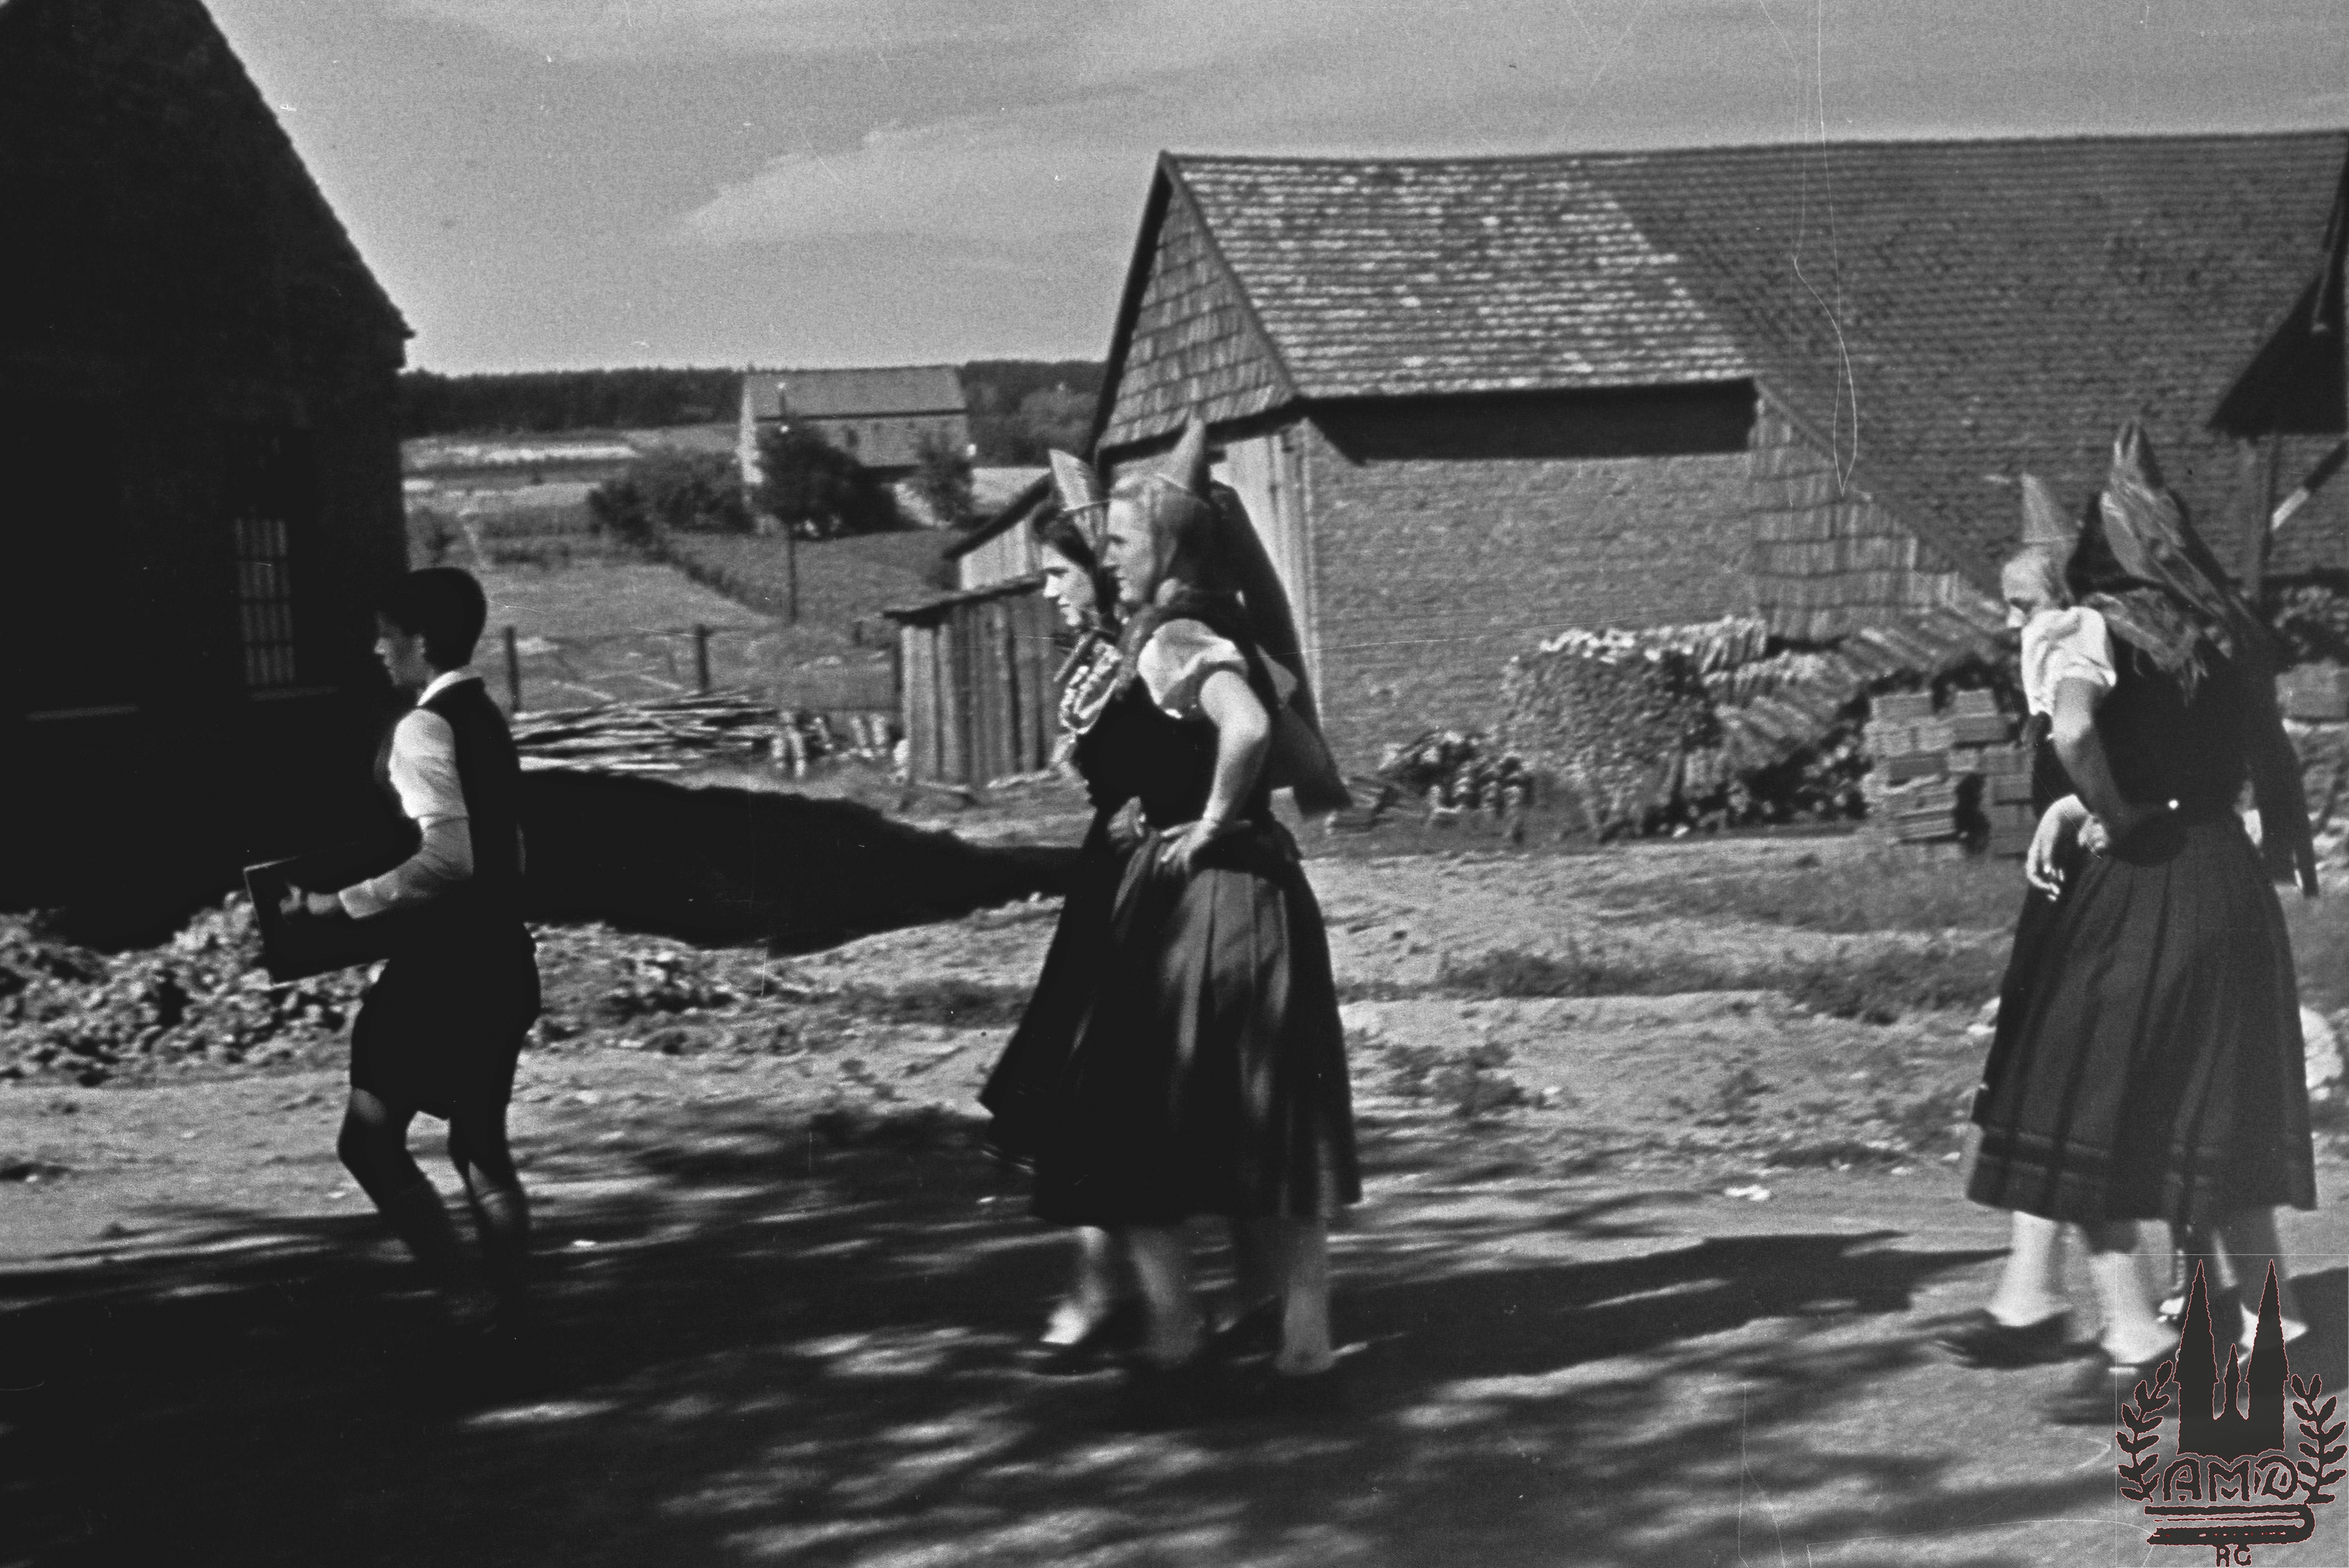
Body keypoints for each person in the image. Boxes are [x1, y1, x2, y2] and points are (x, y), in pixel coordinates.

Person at [1953, 426, 2318, 1423]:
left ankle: (2133, 1338)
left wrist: (2104, 808)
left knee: (2085, 1100)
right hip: (2227, 882)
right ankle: (2270, 1332)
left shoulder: (2093, 627)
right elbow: (2248, 761)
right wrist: (2094, 805)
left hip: (2141, 881)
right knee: (2215, 1106)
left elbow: (2074, 728)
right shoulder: (2224, 629)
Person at [1030, 419, 1359, 1398]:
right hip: (1268, 896)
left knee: (1129, 1115)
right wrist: (1234, 805)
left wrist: (1206, 817)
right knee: (1274, 1115)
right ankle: (1304, 1342)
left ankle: (1174, 1333)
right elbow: (1305, 758)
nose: (1107, 560)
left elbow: (1249, 730)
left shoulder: (1174, 638)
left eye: (1120, 543)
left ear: (1168, 549)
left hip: (1197, 901)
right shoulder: (1238, 637)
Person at [282, 567, 542, 1337]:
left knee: (368, 1140)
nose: (376, 650)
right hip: (501, 959)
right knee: (481, 1146)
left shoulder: (423, 728)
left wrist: (336, 904)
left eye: (386, 635)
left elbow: (447, 860)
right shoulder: (484, 718)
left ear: (420, 642)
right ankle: (512, 1315)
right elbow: (511, 847)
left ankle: (468, 1300)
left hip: (440, 971)